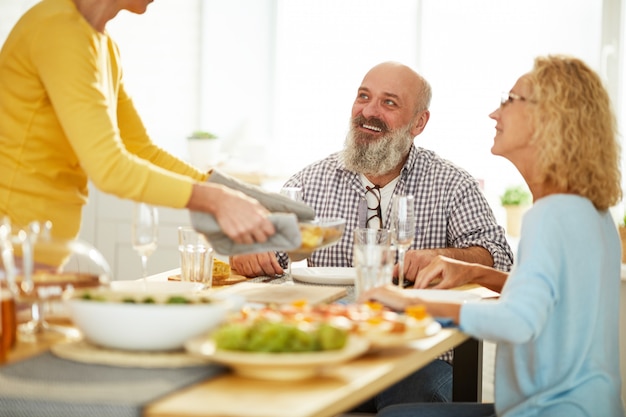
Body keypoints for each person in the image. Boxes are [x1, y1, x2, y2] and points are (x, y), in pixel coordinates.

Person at [230, 61, 514, 411]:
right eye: (363, 97)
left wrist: (449, 258)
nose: (368, 111)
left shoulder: (453, 184)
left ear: (419, 123)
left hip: (421, 354)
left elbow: (498, 255)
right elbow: (275, 251)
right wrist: (251, 253)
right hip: (332, 351)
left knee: (416, 400)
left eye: (389, 103)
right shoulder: (308, 182)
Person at [365, 55, 625, 417]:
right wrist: (476, 272)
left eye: (510, 100)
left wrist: (411, 302)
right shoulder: (590, 212)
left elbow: (518, 320)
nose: (494, 114)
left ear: (550, 118)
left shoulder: (549, 215)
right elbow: (551, 297)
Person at [0, 0, 275, 245]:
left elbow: (140, 150)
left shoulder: (104, 47)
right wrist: (216, 201)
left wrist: (231, 191)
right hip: (11, 249)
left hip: (39, 251)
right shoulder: (57, 29)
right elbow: (110, 168)